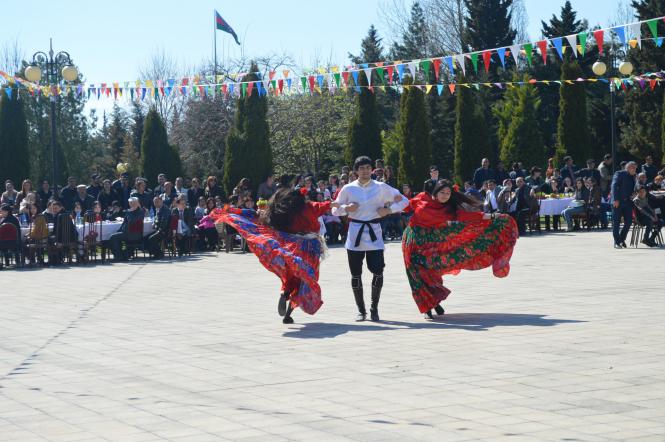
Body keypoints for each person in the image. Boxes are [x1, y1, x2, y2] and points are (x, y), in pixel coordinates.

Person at [208, 178, 340, 324]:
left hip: (292, 247)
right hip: (309, 249)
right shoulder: (310, 207)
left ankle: (284, 294)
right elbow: (327, 205)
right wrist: (339, 203)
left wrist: (233, 210)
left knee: (290, 277)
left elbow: (257, 216)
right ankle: (288, 313)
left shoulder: (285, 212)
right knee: (304, 279)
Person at [402, 180, 518, 319]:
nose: (445, 195)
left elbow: (472, 216)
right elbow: (406, 206)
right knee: (415, 273)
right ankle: (427, 308)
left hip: (432, 242)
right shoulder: (422, 197)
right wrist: (392, 205)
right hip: (413, 240)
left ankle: (434, 302)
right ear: (435, 192)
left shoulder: (449, 210)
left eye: (448, 193)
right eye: (442, 192)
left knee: (431, 272)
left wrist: (493, 216)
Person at [332, 156, 409, 322]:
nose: (365, 171)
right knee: (355, 274)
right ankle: (361, 310)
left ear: (371, 169)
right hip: (355, 234)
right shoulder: (348, 188)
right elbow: (335, 209)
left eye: (368, 167)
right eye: (361, 168)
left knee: (378, 271)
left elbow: (404, 200)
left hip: (375, 233)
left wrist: (389, 210)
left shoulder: (381, 187)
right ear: (356, 171)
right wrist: (347, 208)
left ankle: (374, 308)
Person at [108, 197, 145, 261]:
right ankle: (121, 255)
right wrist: (119, 230)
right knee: (114, 236)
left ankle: (119, 256)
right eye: (130, 203)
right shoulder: (129, 211)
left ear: (137, 203)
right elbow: (124, 223)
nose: (132, 204)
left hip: (134, 234)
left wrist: (131, 212)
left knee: (113, 237)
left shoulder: (141, 211)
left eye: (133, 203)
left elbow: (132, 221)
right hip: (126, 233)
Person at [611, 161, 638, 248]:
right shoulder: (619, 173)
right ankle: (617, 242)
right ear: (629, 168)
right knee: (616, 222)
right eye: (634, 168)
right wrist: (615, 199)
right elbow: (614, 186)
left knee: (629, 222)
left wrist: (634, 193)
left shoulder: (633, 176)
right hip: (618, 202)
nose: (635, 170)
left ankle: (621, 239)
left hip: (628, 202)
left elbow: (634, 187)